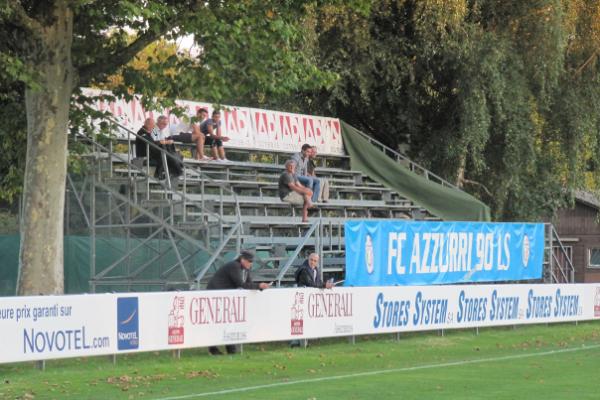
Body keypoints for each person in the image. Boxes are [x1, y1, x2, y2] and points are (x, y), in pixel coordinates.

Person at [206, 251, 269, 355]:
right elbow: (241, 284)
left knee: (228, 323)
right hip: (215, 295)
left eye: (252, 262)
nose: (251, 264)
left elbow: (248, 283)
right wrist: (258, 286)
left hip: (225, 297)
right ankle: (214, 349)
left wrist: (260, 287)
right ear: (242, 259)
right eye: (249, 261)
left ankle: (230, 349)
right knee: (218, 323)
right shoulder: (234, 266)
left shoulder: (245, 268)